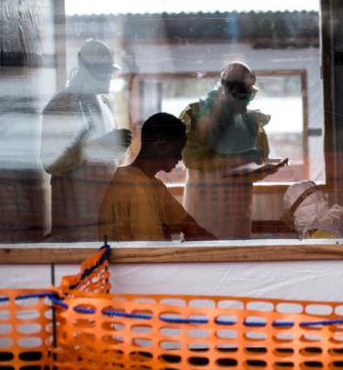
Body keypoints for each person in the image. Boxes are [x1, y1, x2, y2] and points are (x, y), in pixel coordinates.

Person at [41, 40, 131, 241]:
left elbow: (111, 159)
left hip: (105, 212)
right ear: (85, 68)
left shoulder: (106, 104)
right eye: (104, 70)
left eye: (110, 70)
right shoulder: (62, 104)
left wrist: (117, 146)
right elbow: (51, 162)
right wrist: (96, 147)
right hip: (76, 216)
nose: (109, 76)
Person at [179, 62, 274, 239]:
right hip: (202, 212)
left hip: (238, 213)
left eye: (248, 92)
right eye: (240, 92)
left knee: (237, 260)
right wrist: (244, 158)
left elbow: (259, 163)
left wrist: (263, 167)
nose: (245, 98)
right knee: (200, 258)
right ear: (224, 88)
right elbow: (192, 158)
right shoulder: (194, 115)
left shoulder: (252, 122)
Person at [99, 113, 214, 242]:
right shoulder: (137, 187)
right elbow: (153, 251)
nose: (180, 158)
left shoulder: (153, 184)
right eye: (178, 149)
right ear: (161, 146)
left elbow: (191, 227)